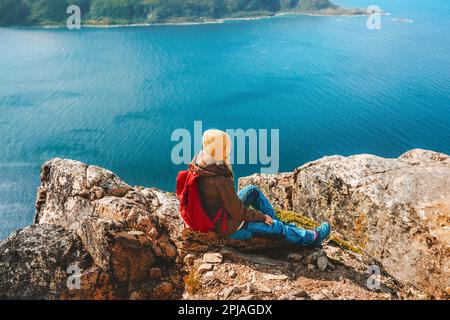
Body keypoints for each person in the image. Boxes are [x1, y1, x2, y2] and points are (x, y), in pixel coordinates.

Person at [187, 129, 331, 247]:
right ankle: (311, 239)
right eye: (226, 145)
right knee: (276, 227)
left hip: (216, 213)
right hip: (228, 226)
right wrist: (261, 217)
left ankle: (276, 223)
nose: (228, 148)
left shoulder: (199, 163)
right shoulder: (219, 179)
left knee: (251, 190)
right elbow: (238, 213)